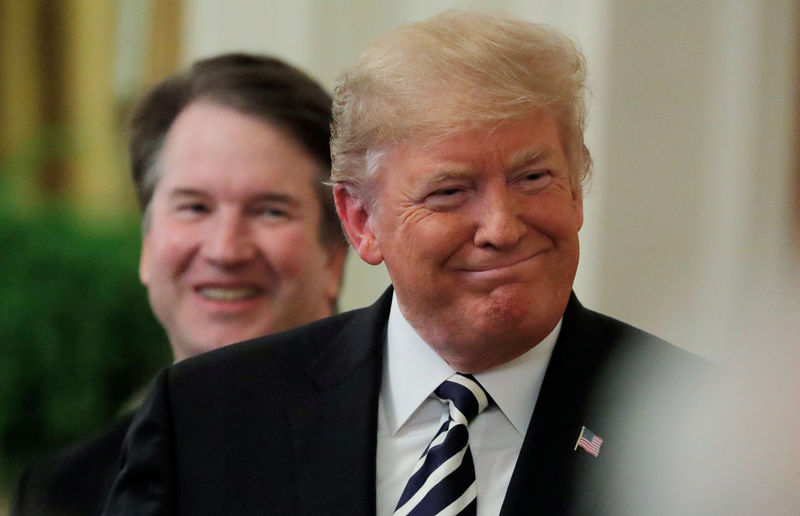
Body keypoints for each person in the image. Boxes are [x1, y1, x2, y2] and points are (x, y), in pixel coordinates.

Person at [102, 11, 708, 515]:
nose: (500, 227)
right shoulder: (208, 419)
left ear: (576, 191)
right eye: (450, 192)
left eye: (533, 178)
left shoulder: (698, 426)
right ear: (362, 222)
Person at [11, 53, 347, 516]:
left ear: (335, 253)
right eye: (193, 207)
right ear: (148, 244)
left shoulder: (415, 456)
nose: (226, 250)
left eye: (271, 210)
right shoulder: (63, 491)